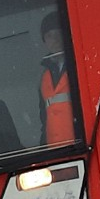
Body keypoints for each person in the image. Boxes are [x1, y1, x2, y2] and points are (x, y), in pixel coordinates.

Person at [38, 13, 74, 145]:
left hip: (79, 147)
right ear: (44, 41)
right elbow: (44, 118)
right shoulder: (44, 76)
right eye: (49, 36)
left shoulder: (77, 66)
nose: (55, 39)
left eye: (59, 33)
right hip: (56, 152)